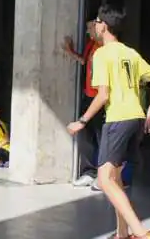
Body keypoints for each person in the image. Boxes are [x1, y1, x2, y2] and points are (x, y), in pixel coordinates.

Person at [67, 5, 150, 239]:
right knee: (116, 178)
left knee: (104, 180)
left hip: (118, 120)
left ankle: (141, 233)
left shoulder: (101, 54)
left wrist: (82, 120)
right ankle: (122, 234)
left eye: (96, 22)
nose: (94, 25)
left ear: (104, 26)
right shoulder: (130, 53)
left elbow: (103, 94)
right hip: (136, 119)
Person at [62, 20, 104, 188]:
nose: (87, 32)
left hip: (101, 97)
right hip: (88, 96)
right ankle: (88, 172)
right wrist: (70, 52)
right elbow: (84, 62)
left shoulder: (106, 48)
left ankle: (104, 176)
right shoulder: (91, 45)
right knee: (85, 135)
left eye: (89, 28)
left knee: (102, 137)